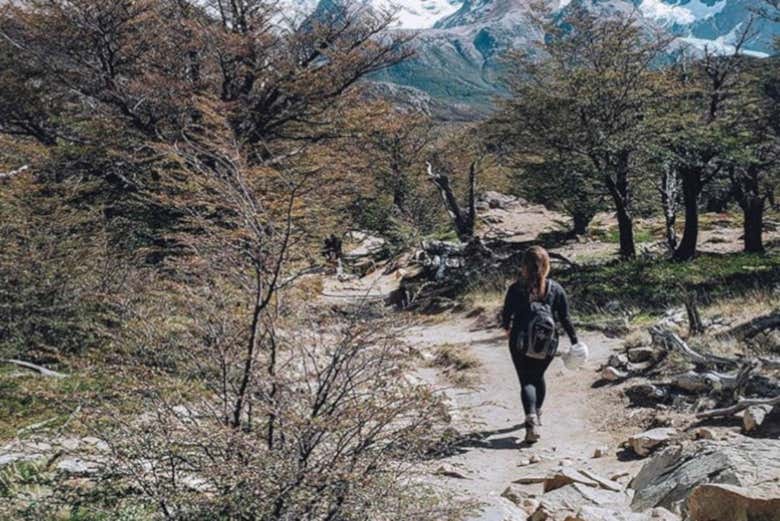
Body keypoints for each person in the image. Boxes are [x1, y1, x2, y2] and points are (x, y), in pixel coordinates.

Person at [500, 246, 578, 443]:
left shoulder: (516, 289)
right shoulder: (556, 289)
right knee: (537, 376)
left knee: (526, 381)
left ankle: (531, 419)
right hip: (548, 344)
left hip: (520, 341)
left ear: (524, 266)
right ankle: (537, 412)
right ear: (546, 265)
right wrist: (575, 341)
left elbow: (506, 316)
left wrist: (508, 329)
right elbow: (565, 318)